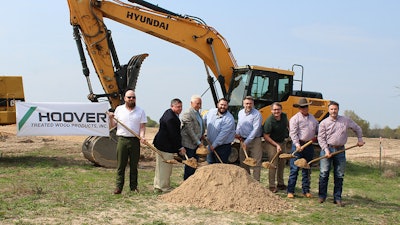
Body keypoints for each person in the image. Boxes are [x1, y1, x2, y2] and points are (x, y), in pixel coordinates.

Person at [317, 100, 364, 207]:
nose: (333, 111)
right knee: (324, 173)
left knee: (339, 175)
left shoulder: (345, 120)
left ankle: (337, 198)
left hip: (340, 150)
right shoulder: (324, 123)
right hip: (327, 149)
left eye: (335, 109)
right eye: (332, 109)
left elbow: (357, 128)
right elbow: (321, 138)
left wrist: (360, 139)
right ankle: (322, 196)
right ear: (328, 110)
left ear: (338, 109)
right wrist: (326, 150)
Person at [108, 89, 147, 194]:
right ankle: (118, 187)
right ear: (124, 98)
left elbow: (142, 126)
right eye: (129, 97)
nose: (131, 99)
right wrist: (111, 118)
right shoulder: (119, 110)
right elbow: (113, 125)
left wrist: (142, 136)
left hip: (135, 141)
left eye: (133, 97)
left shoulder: (140, 111)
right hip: (122, 140)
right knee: (121, 165)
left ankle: (133, 187)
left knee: (134, 166)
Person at [287, 98, 319, 198]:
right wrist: (297, 145)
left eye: (305, 106)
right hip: (298, 145)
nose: (304, 108)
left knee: (307, 168)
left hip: (309, 145)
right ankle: (290, 191)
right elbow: (293, 133)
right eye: (302, 107)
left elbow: (317, 129)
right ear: (299, 108)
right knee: (294, 169)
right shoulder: (295, 119)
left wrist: (317, 136)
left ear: (308, 107)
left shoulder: (313, 119)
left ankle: (306, 190)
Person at [153, 98, 186, 193]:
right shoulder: (171, 118)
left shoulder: (168, 113)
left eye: (181, 107)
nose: (180, 109)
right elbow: (173, 135)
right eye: (178, 107)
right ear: (172, 106)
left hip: (161, 144)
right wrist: (180, 147)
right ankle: (164, 187)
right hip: (165, 146)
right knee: (165, 167)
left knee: (160, 166)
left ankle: (158, 186)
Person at [263, 102, 289, 193]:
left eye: (278, 109)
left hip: (282, 142)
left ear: (281, 110)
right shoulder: (269, 121)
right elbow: (266, 136)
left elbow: (287, 125)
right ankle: (272, 185)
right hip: (272, 143)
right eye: (274, 110)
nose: (276, 111)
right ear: (271, 110)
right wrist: (277, 145)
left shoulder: (284, 117)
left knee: (282, 163)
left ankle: (281, 183)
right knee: (273, 164)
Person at [236, 96, 263, 181]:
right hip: (243, 140)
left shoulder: (257, 114)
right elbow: (239, 125)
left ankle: (256, 183)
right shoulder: (240, 113)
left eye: (250, 103)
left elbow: (255, 130)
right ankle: (246, 182)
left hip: (255, 141)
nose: (248, 105)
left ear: (253, 104)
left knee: (256, 162)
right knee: (243, 162)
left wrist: (246, 142)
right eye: (247, 103)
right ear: (243, 104)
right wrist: (237, 133)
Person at [203, 98, 235, 164]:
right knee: (210, 166)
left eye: (225, 105)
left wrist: (214, 145)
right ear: (218, 104)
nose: (223, 107)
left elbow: (222, 136)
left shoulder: (229, 119)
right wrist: (201, 131)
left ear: (227, 106)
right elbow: (203, 119)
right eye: (221, 104)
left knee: (220, 168)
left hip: (223, 147)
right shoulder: (211, 112)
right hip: (210, 145)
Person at [181, 95, 205, 180]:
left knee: (195, 166)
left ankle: (192, 184)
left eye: (200, 103)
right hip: (189, 144)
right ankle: (186, 184)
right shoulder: (188, 113)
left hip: (196, 144)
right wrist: (198, 143)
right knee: (190, 166)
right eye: (197, 103)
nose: (199, 105)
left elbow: (200, 127)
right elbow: (189, 130)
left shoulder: (198, 113)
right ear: (191, 103)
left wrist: (202, 135)